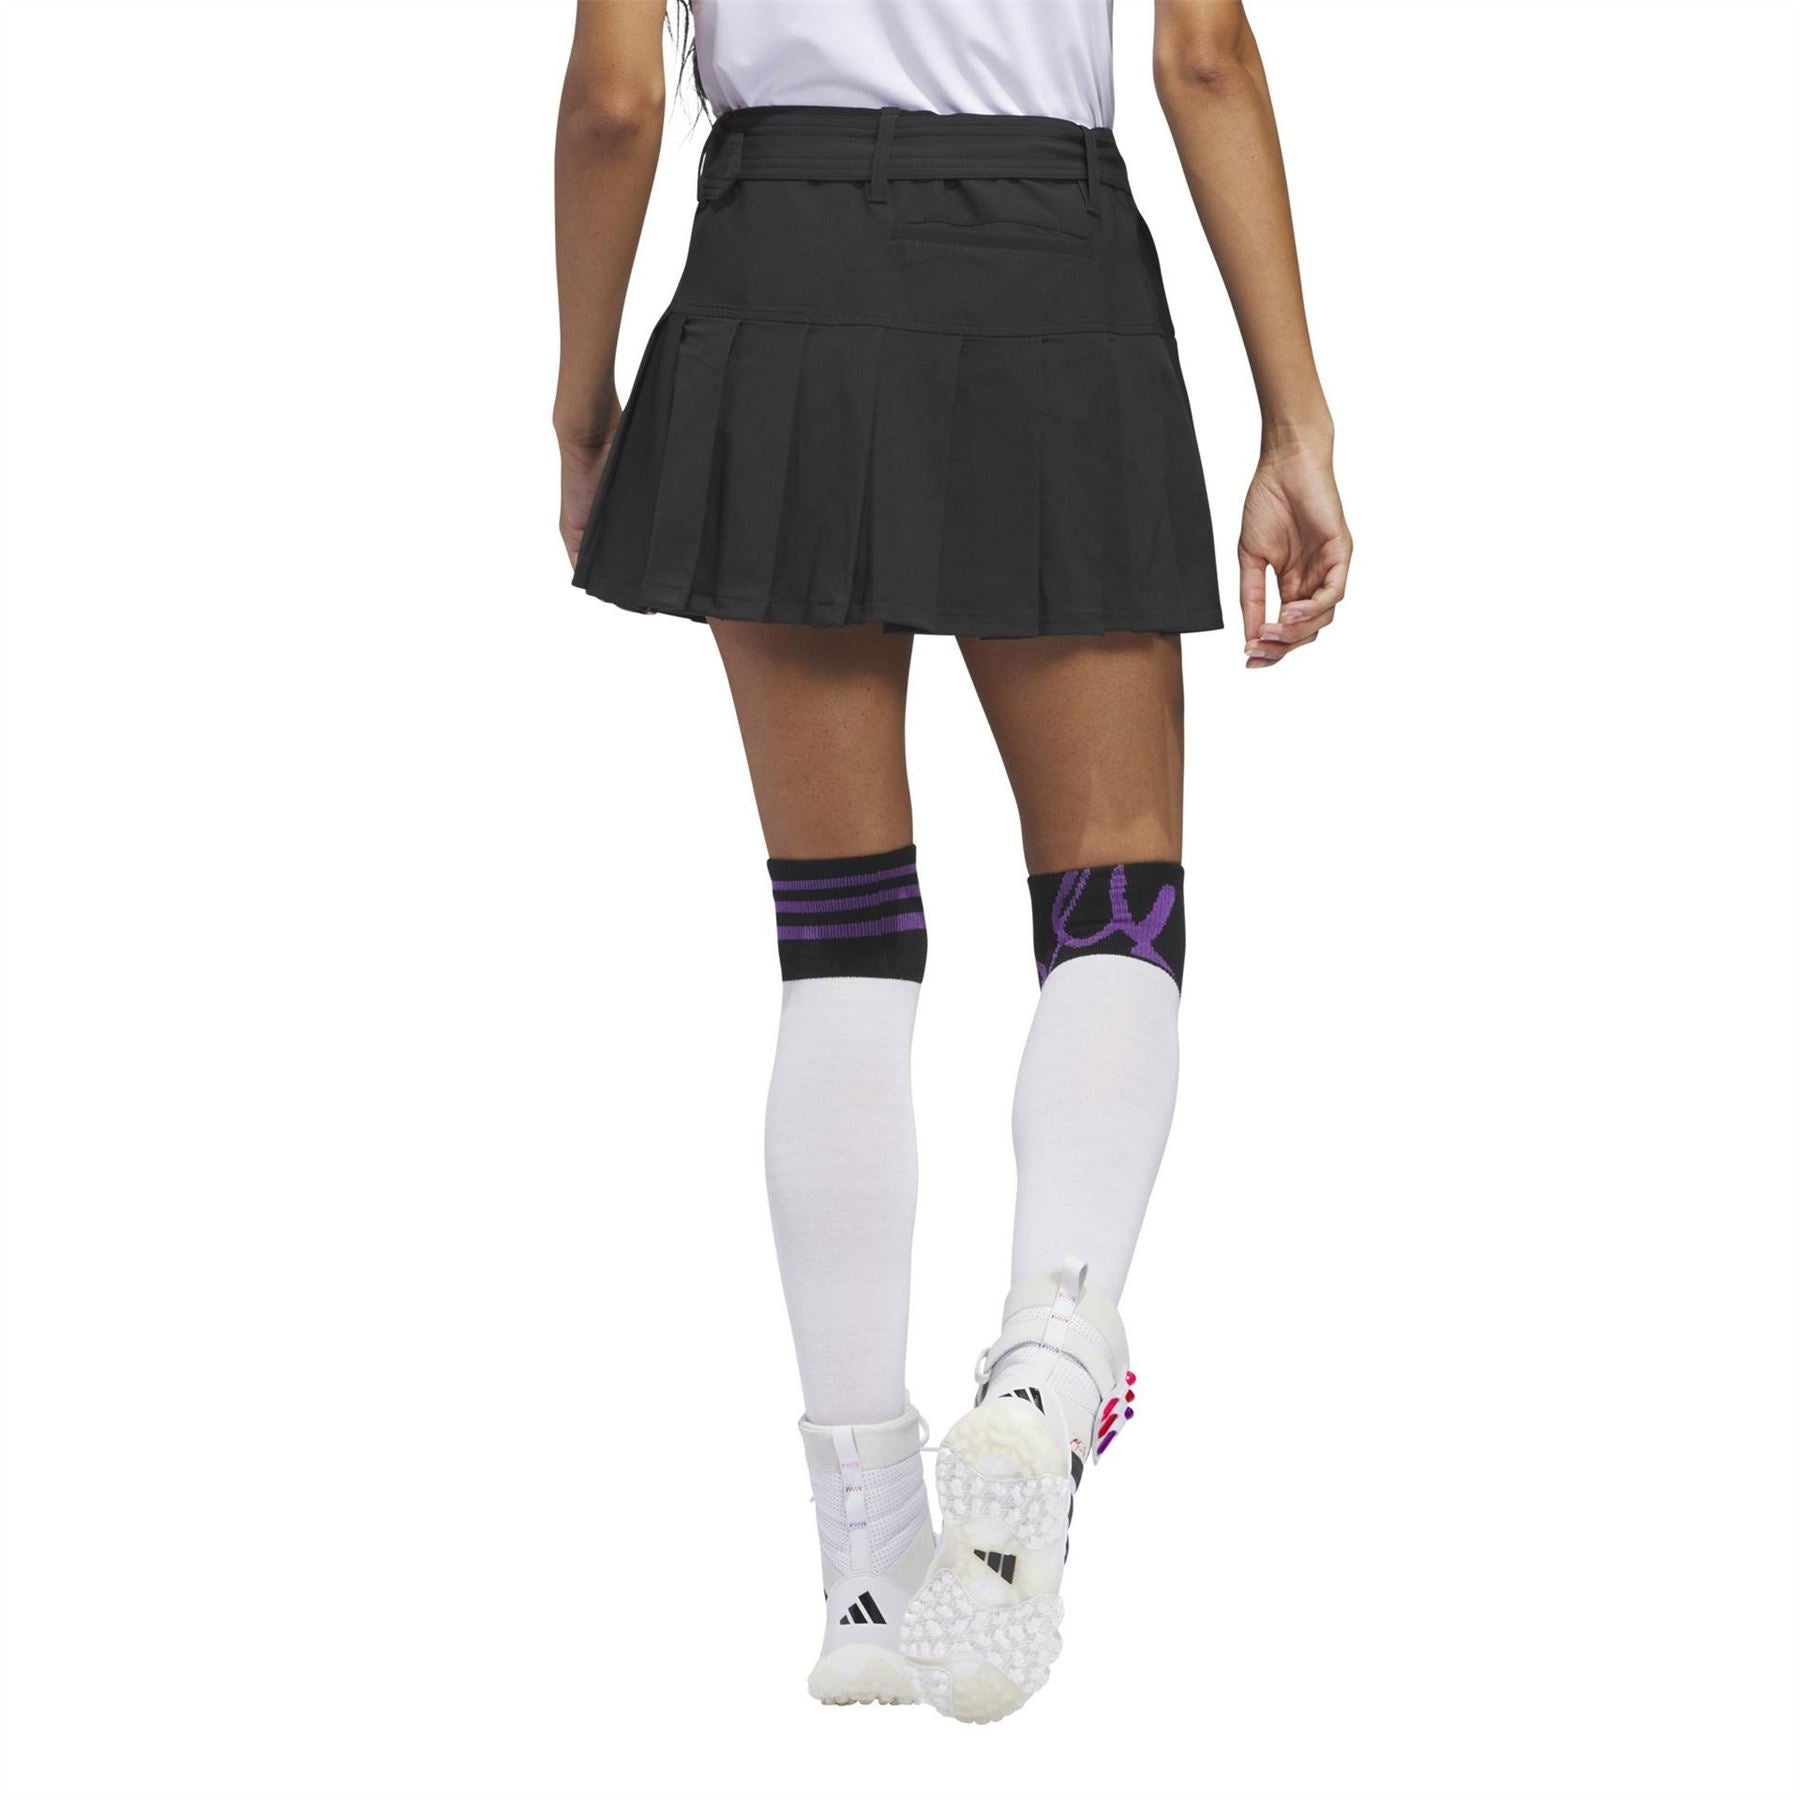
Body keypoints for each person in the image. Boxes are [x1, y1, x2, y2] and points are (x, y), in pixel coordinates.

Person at [553, 0, 1350, 1723]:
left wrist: (583, 398)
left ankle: (867, 1564)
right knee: (1114, 908)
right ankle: (1048, 1377)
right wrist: (1296, 421)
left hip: (779, 272)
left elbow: (618, 101)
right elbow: (1204, 54)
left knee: (839, 943)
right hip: (1049, 269)